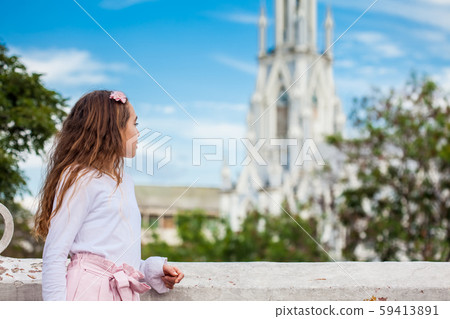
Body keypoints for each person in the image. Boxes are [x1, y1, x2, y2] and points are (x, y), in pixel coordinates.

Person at [33, 90, 184, 301]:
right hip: (88, 293)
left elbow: (118, 255)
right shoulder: (81, 177)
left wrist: (153, 270)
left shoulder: (124, 181)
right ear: (113, 129)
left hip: (121, 295)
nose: (139, 133)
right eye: (135, 124)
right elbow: (55, 253)